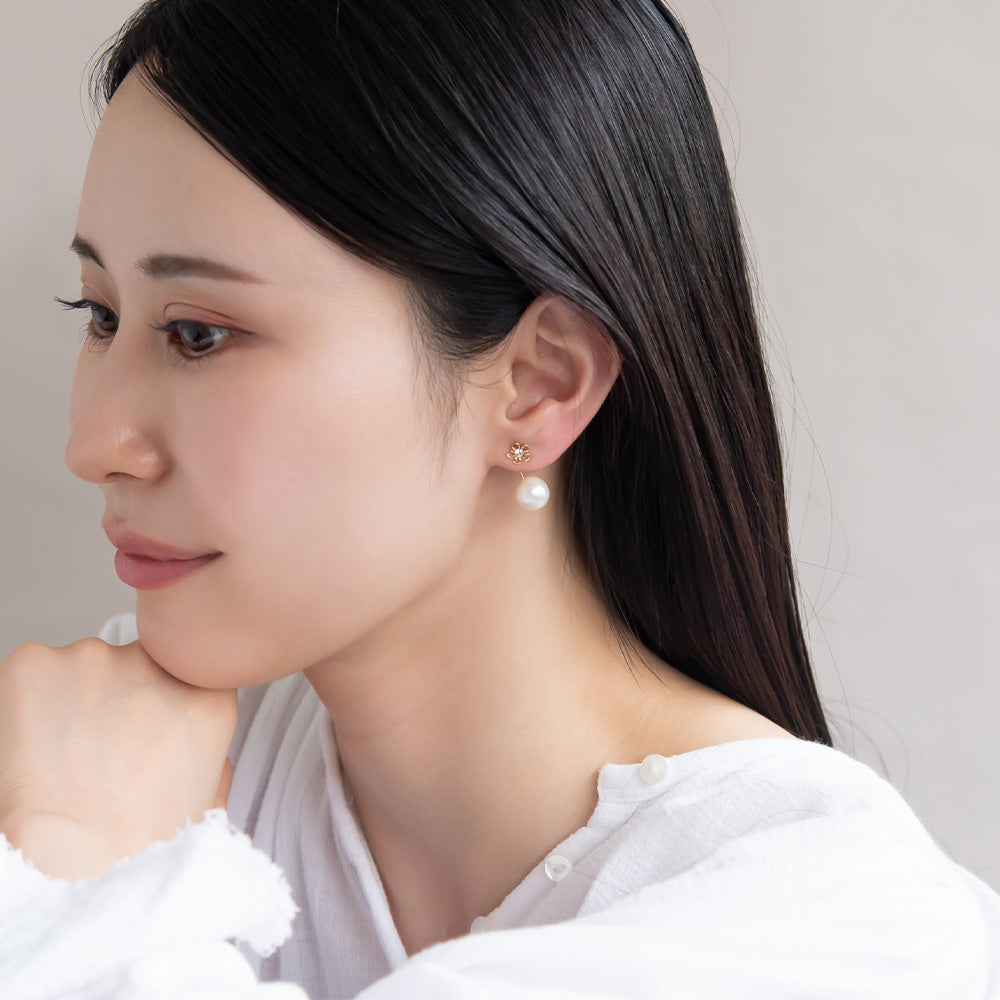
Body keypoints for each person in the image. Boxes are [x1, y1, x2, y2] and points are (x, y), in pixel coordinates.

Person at [1, 0, 997, 997]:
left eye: (199, 333)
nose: (94, 446)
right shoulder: (114, 751)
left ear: (538, 382)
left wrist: (77, 872)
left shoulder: (842, 938)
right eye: (100, 313)